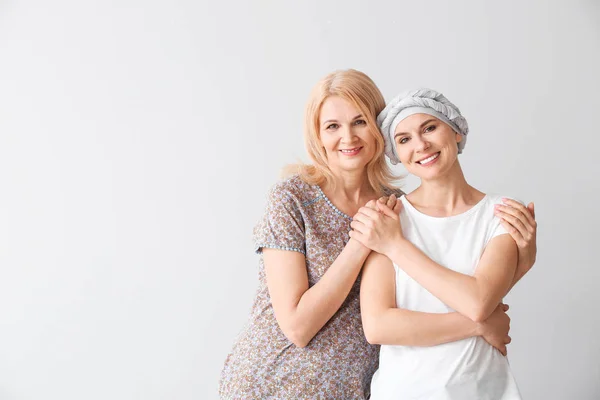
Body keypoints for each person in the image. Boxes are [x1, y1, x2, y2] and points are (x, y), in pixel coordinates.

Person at [218, 73, 536, 399]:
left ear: (378, 129)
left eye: (359, 121)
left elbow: (454, 291)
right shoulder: (294, 197)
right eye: (332, 126)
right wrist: (477, 325)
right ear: (317, 135)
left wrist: (521, 264)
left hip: (354, 388)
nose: (348, 137)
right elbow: (298, 327)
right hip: (277, 381)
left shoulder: (394, 207)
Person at [353, 88, 534, 399]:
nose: (421, 145)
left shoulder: (501, 213)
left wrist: (396, 246)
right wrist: (479, 326)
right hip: (404, 391)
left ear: (456, 131)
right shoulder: (389, 216)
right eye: (404, 139)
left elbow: (478, 302)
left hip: (482, 389)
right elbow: (378, 326)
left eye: (430, 128)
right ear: (396, 154)